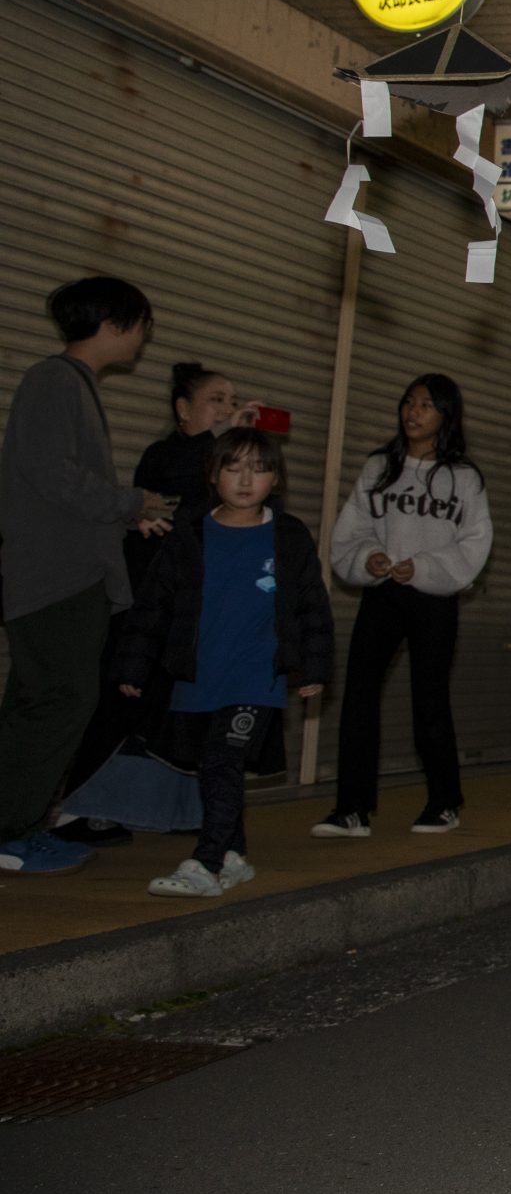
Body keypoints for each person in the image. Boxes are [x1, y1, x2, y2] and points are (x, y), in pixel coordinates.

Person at [58, 361, 266, 847]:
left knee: (185, 715)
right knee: (120, 705)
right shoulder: (165, 456)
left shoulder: (230, 466)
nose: (228, 409)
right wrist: (217, 439)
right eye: (216, 399)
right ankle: (78, 811)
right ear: (182, 408)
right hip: (148, 609)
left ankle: (178, 810)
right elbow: (167, 490)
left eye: (233, 401)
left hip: (202, 611)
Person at [117, 428, 332, 897]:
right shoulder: (191, 532)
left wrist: (314, 668)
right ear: (213, 475)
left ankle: (206, 862)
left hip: (256, 678)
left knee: (221, 762)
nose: (244, 479)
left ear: (275, 478)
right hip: (199, 677)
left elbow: (311, 605)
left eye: (259, 469)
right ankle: (234, 855)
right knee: (212, 769)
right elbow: (155, 603)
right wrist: (134, 666)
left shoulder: (288, 535)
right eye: (233, 467)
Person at [0, 277, 167, 876]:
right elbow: (53, 475)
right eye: (143, 325)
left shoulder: (70, 384)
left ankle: (15, 823)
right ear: (117, 323)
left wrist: (128, 519)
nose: (144, 339)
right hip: (57, 583)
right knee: (60, 700)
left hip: (64, 576)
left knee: (37, 701)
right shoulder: (55, 381)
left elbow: (61, 491)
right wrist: (130, 503)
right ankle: (12, 831)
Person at [317, 374, 493, 837]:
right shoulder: (379, 467)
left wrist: (426, 568)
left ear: (446, 416)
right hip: (382, 593)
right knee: (358, 693)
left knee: (429, 697)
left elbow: (475, 545)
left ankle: (444, 801)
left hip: (434, 598)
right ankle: (351, 810)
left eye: (426, 406)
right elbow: (350, 532)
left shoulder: (464, 478)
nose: (413, 413)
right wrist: (367, 559)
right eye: (409, 403)